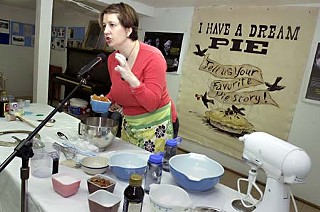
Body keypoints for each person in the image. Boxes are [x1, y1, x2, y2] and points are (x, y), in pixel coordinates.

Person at [98, 2, 179, 153]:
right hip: (131, 123)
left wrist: (132, 79)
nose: (106, 31)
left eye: (112, 25)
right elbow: (117, 90)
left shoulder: (153, 57)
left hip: (157, 123)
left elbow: (152, 103)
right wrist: (106, 100)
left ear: (128, 30)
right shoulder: (112, 59)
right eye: (104, 26)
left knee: (152, 170)